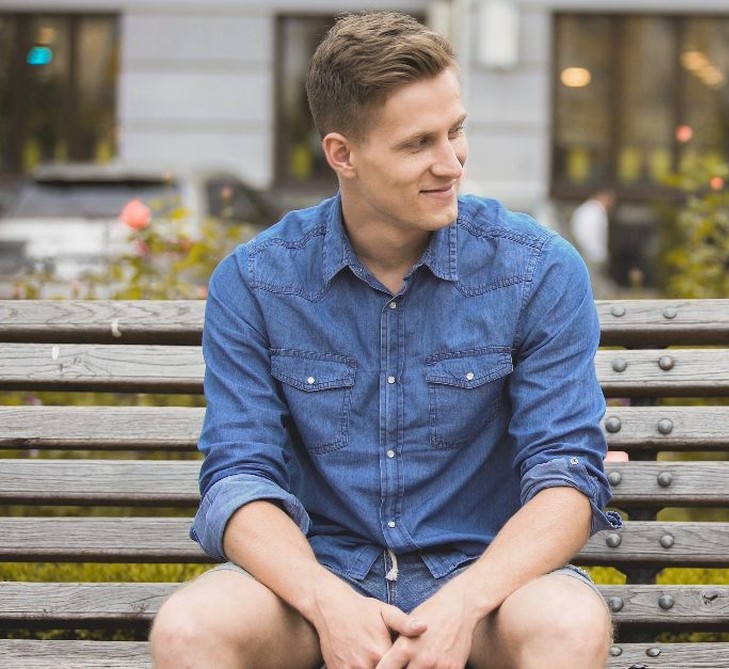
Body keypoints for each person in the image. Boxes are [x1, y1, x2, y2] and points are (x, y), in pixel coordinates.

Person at [149, 12, 618, 669]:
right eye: (418, 143)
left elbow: (567, 476)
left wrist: (466, 601)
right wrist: (325, 599)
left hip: (487, 585)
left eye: (456, 132)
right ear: (342, 153)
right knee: (187, 631)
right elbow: (239, 477)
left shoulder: (536, 268)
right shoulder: (257, 282)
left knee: (568, 625)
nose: (450, 163)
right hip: (316, 584)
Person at [569, 187, 616, 296]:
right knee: (595, 287)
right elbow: (588, 235)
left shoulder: (587, 210)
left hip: (588, 254)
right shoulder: (594, 211)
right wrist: (596, 255)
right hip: (591, 256)